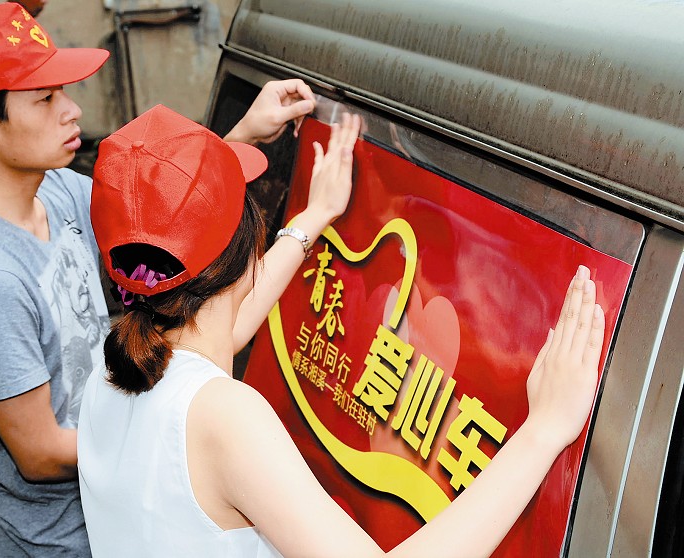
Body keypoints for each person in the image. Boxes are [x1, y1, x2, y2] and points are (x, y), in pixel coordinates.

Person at [78, 104, 606, 557]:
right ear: (245, 249)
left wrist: (316, 216)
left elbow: (222, 327)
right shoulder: (223, 416)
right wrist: (543, 431)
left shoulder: (115, 366)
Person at [0, 3, 320, 556]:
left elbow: (161, 215)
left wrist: (246, 133)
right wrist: (182, 443)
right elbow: (38, 454)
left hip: (112, 516)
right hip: (52, 544)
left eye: (64, 91)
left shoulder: (57, 189)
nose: (73, 110)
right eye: (45, 98)